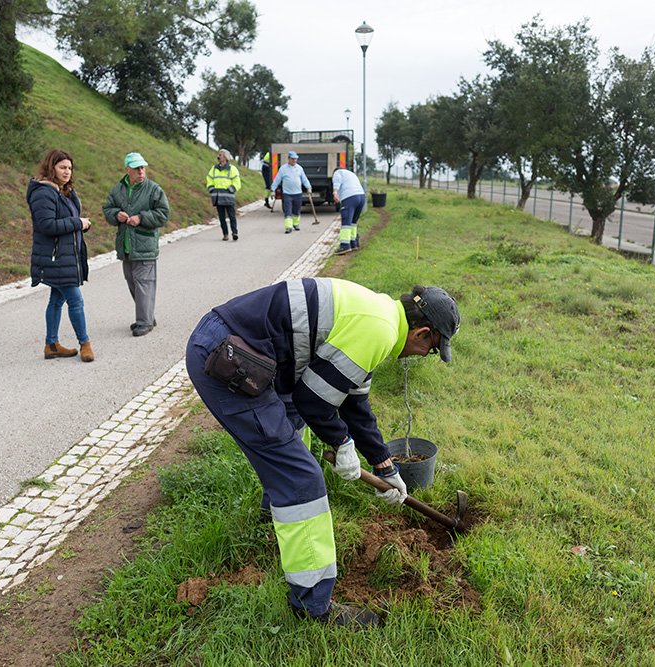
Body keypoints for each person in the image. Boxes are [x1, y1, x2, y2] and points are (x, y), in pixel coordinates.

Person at [185, 279, 460, 627]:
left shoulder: (380, 315)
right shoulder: (379, 331)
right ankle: (313, 605)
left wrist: (385, 466)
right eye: (432, 349)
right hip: (226, 355)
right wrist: (342, 444)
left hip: (239, 344)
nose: (424, 356)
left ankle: (275, 515)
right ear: (422, 333)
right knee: (302, 479)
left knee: (292, 429)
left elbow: (354, 402)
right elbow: (313, 400)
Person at [27, 148, 94, 362]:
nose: (67, 172)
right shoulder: (43, 192)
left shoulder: (64, 191)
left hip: (67, 256)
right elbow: (46, 225)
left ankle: (51, 344)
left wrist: (82, 225)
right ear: (51, 167)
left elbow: (70, 219)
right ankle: (85, 344)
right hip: (55, 258)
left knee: (56, 300)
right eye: (62, 167)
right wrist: (77, 223)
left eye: (70, 168)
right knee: (75, 301)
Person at [103, 152, 171, 337]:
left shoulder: (153, 189)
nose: (141, 171)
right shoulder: (117, 190)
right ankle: (147, 316)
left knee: (143, 284)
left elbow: (164, 214)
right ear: (127, 170)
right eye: (136, 168)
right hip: (126, 248)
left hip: (145, 246)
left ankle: (144, 322)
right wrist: (116, 214)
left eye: (143, 167)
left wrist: (141, 218)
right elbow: (107, 209)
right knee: (133, 283)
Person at [269, 150, 311, 234]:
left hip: (298, 193)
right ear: (288, 158)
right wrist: (273, 190)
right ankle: (288, 227)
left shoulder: (299, 168)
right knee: (288, 210)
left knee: (297, 209)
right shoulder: (283, 169)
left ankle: (296, 224)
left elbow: (304, 179)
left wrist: (308, 187)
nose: (294, 160)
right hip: (287, 194)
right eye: (292, 159)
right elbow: (277, 179)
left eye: (295, 159)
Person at [206, 149, 242, 241]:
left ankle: (234, 232)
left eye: (220, 155)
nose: (218, 156)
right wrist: (211, 188)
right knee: (221, 217)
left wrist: (231, 189)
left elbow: (237, 182)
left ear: (225, 157)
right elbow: (209, 179)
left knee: (231, 216)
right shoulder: (214, 169)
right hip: (218, 197)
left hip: (228, 197)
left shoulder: (232, 169)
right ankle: (225, 234)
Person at [331, 167, 366, 254]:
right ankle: (353, 243)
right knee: (353, 222)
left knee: (346, 222)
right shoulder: (350, 174)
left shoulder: (337, 173)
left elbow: (337, 180)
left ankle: (345, 246)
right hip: (361, 197)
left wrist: (335, 192)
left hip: (350, 198)